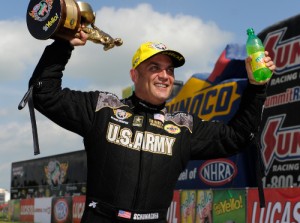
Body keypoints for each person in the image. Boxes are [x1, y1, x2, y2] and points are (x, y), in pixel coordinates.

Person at [27, 30, 275, 223]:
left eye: (169, 70)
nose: (165, 75)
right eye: (154, 67)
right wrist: (62, 45)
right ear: (134, 75)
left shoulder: (182, 127)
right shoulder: (103, 109)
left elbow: (239, 136)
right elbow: (44, 94)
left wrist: (256, 87)